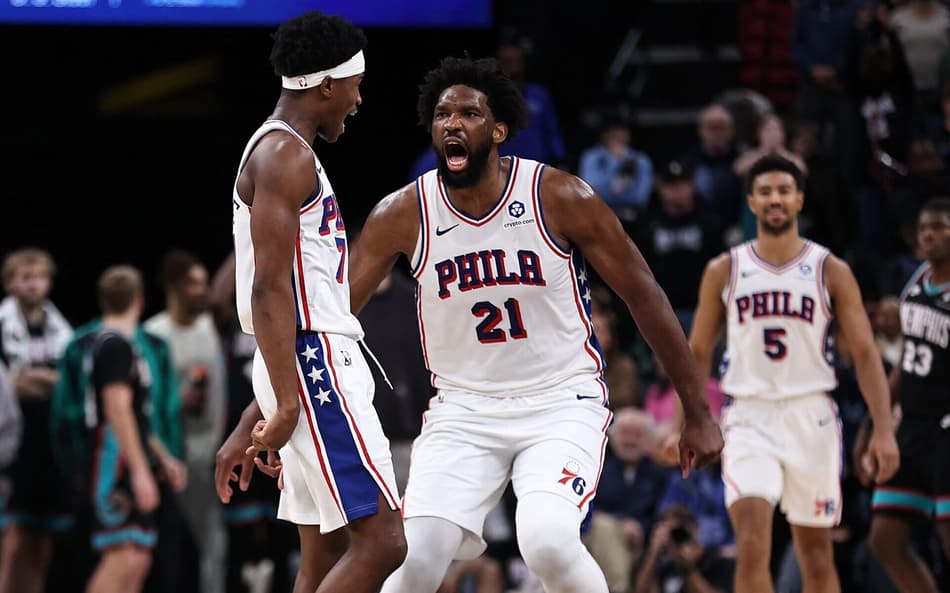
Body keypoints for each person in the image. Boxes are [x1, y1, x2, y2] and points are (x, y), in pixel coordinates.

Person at [218, 55, 723, 593]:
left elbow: (645, 298)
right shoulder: (403, 213)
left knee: (546, 539)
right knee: (407, 564)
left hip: (559, 401)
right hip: (462, 411)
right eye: (441, 114)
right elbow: (327, 325)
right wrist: (256, 414)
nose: (452, 123)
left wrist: (696, 409)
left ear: (499, 128)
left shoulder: (559, 196)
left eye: (469, 113)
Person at [221, 10, 406, 593]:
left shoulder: (284, 151)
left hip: (295, 362)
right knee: (383, 542)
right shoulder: (285, 155)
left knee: (324, 554)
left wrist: (261, 409)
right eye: (355, 84)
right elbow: (269, 290)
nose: (358, 99)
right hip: (311, 362)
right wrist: (285, 407)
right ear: (326, 83)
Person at [686, 154, 900, 593]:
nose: (775, 199)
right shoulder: (724, 269)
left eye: (784, 190)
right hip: (748, 416)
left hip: (811, 416)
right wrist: (685, 423)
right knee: (750, 543)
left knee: (816, 554)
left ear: (799, 199)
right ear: (751, 202)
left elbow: (864, 353)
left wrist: (883, 430)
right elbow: (698, 350)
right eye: (765, 192)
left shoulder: (830, 270)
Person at [857, 197, 950, 593]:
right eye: (924, 228)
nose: (928, 235)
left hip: (947, 427)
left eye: (939, 227)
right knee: (885, 538)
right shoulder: (915, 283)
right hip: (912, 426)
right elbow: (906, 363)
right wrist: (873, 426)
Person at [84, 265, 182, 593]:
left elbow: (137, 416)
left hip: (131, 452)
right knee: (122, 557)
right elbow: (117, 410)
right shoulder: (113, 345)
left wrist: (164, 458)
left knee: (138, 559)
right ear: (139, 301)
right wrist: (140, 471)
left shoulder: (126, 345)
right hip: (113, 462)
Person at [145, 249, 226, 593]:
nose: (201, 291)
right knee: (168, 551)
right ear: (172, 286)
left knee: (215, 547)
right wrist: (178, 401)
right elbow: (144, 404)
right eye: (193, 284)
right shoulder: (153, 334)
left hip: (210, 459)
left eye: (204, 283)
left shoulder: (212, 328)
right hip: (171, 460)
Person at [0, 248, 73, 593]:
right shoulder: (3, 324)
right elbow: (9, 385)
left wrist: (33, 379)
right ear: (10, 282)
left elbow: (68, 381)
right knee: (14, 537)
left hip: (49, 441)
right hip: (10, 443)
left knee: (44, 538)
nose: (34, 285)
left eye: (40, 278)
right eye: (26, 278)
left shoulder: (58, 325)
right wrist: (43, 380)